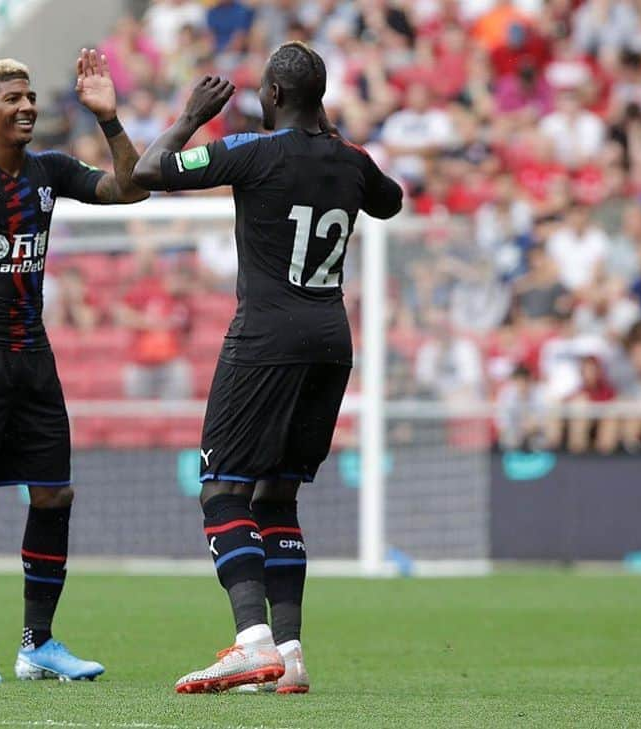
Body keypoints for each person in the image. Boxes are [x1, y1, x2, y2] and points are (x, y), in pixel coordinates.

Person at [132, 41, 403, 694]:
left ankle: (250, 639)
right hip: (331, 341)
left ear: (274, 96)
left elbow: (149, 168)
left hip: (266, 338)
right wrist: (333, 143)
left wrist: (193, 114)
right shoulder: (352, 161)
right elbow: (389, 201)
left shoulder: (253, 151)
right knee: (277, 494)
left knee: (221, 485)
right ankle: (290, 652)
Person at [0, 45, 148, 684]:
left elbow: (129, 189)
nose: (26, 107)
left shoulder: (48, 171)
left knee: (54, 491)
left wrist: (108, 119)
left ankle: (37, 644)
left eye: (29, 98)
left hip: (32, 354)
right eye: (11, 100)